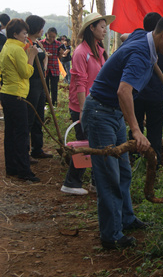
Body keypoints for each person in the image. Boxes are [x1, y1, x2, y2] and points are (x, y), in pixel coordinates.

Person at [81, 15, 163, 249]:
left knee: (124, 172)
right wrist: (137, 130)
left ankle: (126, 219)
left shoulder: (144, 38)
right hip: (101, 113)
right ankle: (111, 236)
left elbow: (132, 34)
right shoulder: (141, 53)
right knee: (109, 177)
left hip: (113, 114)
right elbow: (123, 91)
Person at [60, 13, 112, 196]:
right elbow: (80, 82)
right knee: (85, 145)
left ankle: (95, 183)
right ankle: (71, 181)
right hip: (83, 106)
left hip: (95, 104)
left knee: (95, 144)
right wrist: (83, 110)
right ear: (92, 28)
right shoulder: (81, 52)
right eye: (102, 27)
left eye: (106, 27)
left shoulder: (98, 49)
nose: (105, 31)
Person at [122, 12, 163, 167]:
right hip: (148, 96)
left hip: (142, 96)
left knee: (142, 131)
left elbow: (124, 36)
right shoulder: (148, 46)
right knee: (144, 131)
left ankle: (146, 164)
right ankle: (150, 164)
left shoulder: (159, 46)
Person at [0, 19, 39, 181]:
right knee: (22, 134)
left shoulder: (6, 47)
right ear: (15, 34)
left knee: (10, 132)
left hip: (7, 93)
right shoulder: (16, 50)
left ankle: (12, 167)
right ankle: (24, 171)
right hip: (17, 95)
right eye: (23, 33)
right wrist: (31, 56)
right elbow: (25, 73)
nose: (25, 36)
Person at [25, 15, 53, 161]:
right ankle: (25, 151)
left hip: (41, 83)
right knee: (30, 115)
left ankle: (37, 148)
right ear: (35, 28)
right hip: (31, 83)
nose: (43, 30)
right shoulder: (27, 43)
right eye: (41, 27)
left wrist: (45, 61)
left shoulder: (38, 43)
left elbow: (44, 58)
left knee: (39, 116)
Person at [41, 27, 67, 106]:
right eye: (50, 36)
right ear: (47, 34)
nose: (52, 38)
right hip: (45, 68)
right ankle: (46, 103)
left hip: (54, 68)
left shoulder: (58, 44)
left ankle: (54, 104)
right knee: (45, 88)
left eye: (53, 37)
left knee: (54, 88)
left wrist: (61, 53)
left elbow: (59, 57)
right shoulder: (41, 43)